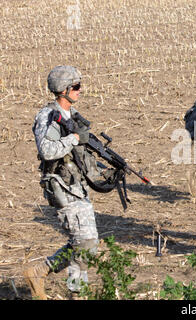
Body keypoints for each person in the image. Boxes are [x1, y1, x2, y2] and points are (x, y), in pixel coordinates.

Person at [24, 66, 101, 299]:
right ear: (63, 90)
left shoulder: (72, 114)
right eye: (76, 87)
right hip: (61, 186)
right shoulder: (47, 116)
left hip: (76, 186)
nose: (80, 90)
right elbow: (47, 151)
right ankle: (75, 293)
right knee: (85, 241)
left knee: (87, 243)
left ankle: (42, 272)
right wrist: (74, 138)